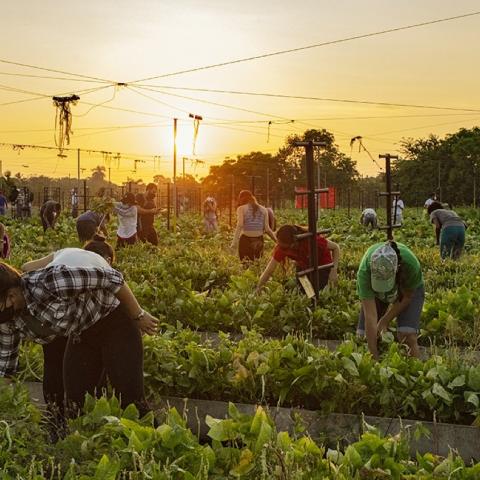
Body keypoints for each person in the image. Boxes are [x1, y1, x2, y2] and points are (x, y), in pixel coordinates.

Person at [0, 259, 158, 426]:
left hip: (114, 322)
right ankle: (93, 444)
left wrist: (138, 315)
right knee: (75, 405)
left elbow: (112, 278)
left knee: (132, 401)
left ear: (10, 295)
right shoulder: (8, 320)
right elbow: (6, 368)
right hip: (82, 334)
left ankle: (155, 444)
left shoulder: (51, 281)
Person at [357, 241, 424, 359]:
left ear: (396, 269)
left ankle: (417, 372)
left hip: (407, 287)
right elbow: (370, 316)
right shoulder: (364, 272)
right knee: (363, 337)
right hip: (377, 289)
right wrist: (374, 357)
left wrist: (384, 320)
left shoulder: (411, 265)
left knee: (407, 335)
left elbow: (407, 297)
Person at [257, 224, 340, 293]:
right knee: (308, 293)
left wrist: (333, 270)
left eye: (285, 247)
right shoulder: (282, 247)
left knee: (322, 292)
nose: (281, 249)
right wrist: (258, 288)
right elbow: (269, 270)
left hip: (322, 267)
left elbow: (336, 247)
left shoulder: (312, 241)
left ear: (294, 243)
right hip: (304, 267)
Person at [231, 190, 276, 262]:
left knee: (245, 265)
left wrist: (234, 243)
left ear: (241, 199)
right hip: (259, 241)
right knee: (256, 265)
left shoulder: (241, 209)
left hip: (245, 241)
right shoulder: (264, 210)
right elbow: (267, 229)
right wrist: (276, 241)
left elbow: (240, 225)